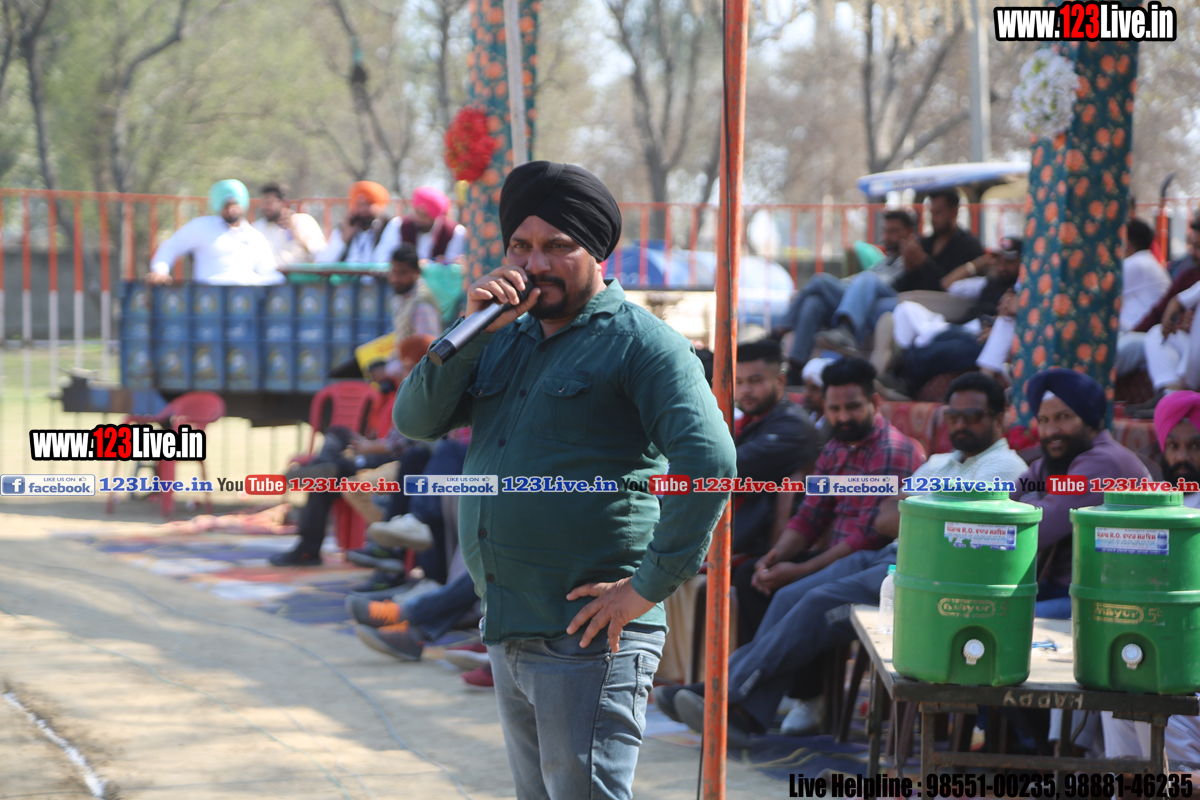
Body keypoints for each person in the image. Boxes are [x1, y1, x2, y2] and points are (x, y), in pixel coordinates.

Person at [393, 160, 736, 800]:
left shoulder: (643, 345)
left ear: (598, 252)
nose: (535, 265)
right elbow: (415, 420)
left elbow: (710, 463)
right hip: (509, 621)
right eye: (521, 247)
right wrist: (469, 329)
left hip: (590, 635)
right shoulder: (501, 337)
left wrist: (645, 588)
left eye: (557, 246)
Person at [658, 371, 1027, 743]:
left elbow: (920, 527)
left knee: (817, 601)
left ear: (999, 418)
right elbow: (884, 518)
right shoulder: (941, 461)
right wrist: (780, 555)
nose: (960, 424)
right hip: (891, 555)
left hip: (930, 576)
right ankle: (737, 704)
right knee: (787, 594)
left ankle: (727, 698)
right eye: (953, 416)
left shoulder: (1005, 467)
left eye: (972, 416)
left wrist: (915, 507)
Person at [731, 357, 923, 645]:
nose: (843, 417)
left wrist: (800, 570)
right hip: (834, 556)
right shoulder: (835, 448)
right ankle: (759, 666)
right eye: (834, 409)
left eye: (853, 407)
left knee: (794, 592)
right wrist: (775, 557)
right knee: (752, 575)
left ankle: (770, 671)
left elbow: (868, 537)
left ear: (874, 402)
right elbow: (810, 516)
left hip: (867, 566)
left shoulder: (890, 449)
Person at [270, 334, 436, 567]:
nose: (400, 373)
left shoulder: (426, 393)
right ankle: (322, 467)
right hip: (377, 450)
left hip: (393, 458)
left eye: (407, 367)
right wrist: (366, 443)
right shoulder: (394, 393)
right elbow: (386, 434)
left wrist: (370, 446)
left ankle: (323, 473)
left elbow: (405, 443)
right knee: (336, 437)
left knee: (328, 478)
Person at [1098, 391, 1200, 767]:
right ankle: (1126, 784)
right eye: (1173, 445)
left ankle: (1179, 781)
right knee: (1118, 691)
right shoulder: (1151, 505)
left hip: (1188, 657)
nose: (1182, 457)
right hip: (1151, 641)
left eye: (1195, 446)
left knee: (1155, 698)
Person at [1012, 368, 1151, 618]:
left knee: (1008, 615)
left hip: (1108, 596)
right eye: (1043, 420)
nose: (1051, 430)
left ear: (1089, 420)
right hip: (1062, 588)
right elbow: (1002, 504)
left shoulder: (1104, 462)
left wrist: (1031, 500)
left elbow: (1036, 530)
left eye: (1063, 417)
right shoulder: (1055, 461)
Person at [774, 210, 917, 378]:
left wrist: (914, 262)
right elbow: (854, 283)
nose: (886, 236)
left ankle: (780, 330)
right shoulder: (884, 262)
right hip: (864, 303)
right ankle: (796, 367)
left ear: (909, 232)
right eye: (885, 231)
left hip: (893, 305)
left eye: (893, 231)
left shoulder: (917, 257)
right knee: (814, 302)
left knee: (825, 281)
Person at [889, 238, 1023, 396]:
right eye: (999, 261)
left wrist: (997, 328)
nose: (1002, 267)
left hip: (986, 337)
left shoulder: (1024, 291)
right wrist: (979, 263)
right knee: (931, 330)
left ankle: (901, 379)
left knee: (945, 348)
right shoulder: (989, 282)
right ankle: (899, 375)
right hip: (966, 328)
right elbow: (948, 284)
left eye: (1009, 262)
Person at [732, 339, 821, 557]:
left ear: (780, 380)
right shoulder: (751, 420)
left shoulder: (793, 426)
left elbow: (730, 466)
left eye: (755, 381)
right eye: (739, 382)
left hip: (755, 547)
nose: (745, 390)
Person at [146, 180, 281, 286]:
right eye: (226, 205)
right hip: (210, 296)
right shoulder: (201, 226)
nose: (231, 210)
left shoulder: (254, 235)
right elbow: (171, 247)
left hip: (246, 298)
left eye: (235, 204)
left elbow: (268, 271)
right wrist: (159, 271)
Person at [1139, 220, 1200, 393]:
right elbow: (1161, 312)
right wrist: (1180, 319)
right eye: (1192, 246)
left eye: (1198, 247)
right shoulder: (1189, 275)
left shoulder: (1138, 263)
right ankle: (1171, 396)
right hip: (1189, 348)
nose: (1193, 253)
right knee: (1157, 334)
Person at [893, 189, 985, 293]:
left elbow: (948, 286)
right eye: (931, 213)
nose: (933, 219)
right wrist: (909, 267)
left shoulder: (968, 245)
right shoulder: (925, 242)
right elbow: (905, 285)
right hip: (911, 297)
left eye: (938, 212)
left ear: (954, 212)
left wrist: (923, 261)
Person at [1116, 218, 1171, 379]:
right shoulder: (1143, 261)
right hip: (1136, 333)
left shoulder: (1138, 263)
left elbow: (1098, 290)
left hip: (1140, 336)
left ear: (1126, 244)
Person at [374, 185, 466, 265]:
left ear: (435, 216)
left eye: (424, 215)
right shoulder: (398, 225)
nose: (419, 218)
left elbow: (454, 264)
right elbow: (381, 258)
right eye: (417, 212)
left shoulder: (454, 232)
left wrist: (434, 264)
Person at [315, 181, 394, 264]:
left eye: (368, 204)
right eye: (359, 205)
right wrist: (344, 239)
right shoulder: (345, 227)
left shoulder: (389, 226)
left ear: (381, 206)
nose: (363, 209)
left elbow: (382, 260)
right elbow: (323, 261)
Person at [252, 183, 326, 265]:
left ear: (284, 203)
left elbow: (319, 254)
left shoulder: (303, 222)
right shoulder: (257, 228)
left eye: (269, 203)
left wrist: (294, 232)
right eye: (263, 203)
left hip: (301, 272)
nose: (264, 208)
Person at [387, 244, 443, 344]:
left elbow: (427, 346)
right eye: (394, 272)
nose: (396, 279)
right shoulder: (403, 296)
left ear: (417, 272)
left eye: (402, 273)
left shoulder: (422, 302)